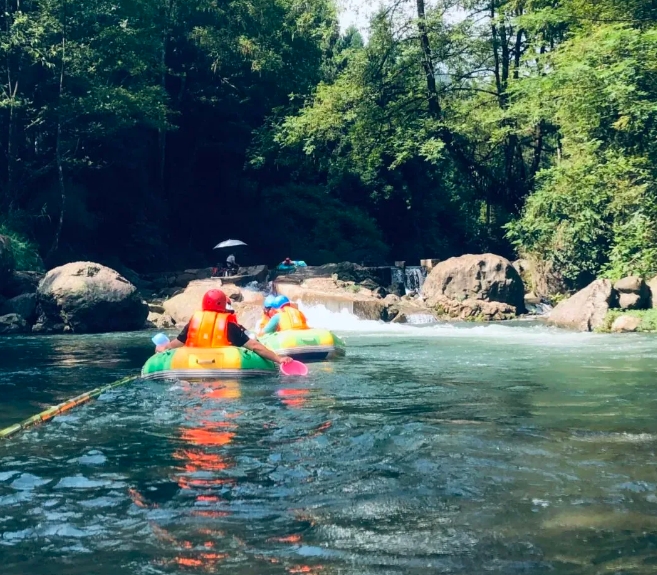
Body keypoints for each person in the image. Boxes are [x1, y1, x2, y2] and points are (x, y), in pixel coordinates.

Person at [155, 289, 292, 365]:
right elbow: (254, 346)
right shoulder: (229, 324)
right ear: (222, 305)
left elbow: (177, 343)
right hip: (225, 363)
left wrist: (163, 348)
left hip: (191, 363)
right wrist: (278, 359)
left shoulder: (194, 321)